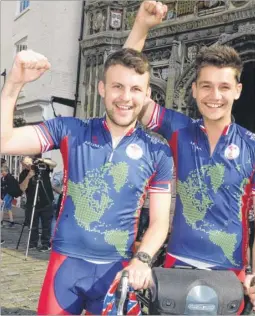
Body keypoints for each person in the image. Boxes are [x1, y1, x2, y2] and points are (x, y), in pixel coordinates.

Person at [0, 48, 173, 315]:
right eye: (117, 86)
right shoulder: (70, 130)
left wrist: (143, 258)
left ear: (147, 94)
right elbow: (5, 141)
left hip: (117, 274)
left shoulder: (158, 151)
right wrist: (13, 84)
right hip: (65, 268)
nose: (126, 97)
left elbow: (161, 221)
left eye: (136, 89)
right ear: (102, 88)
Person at [124, 0, 255, 311]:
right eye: (206, 86)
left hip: (229, 274)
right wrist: (140, 27)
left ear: (238, 90)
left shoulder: (252, 145)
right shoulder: (179, 130)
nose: (215, 96)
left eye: (224, 87)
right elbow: (129, 92)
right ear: (193, 90)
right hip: (177, 267)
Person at [19, 156, 54, 252]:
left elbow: (54, 164)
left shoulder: (42, 168)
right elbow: (22, 188)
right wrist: (29, 176)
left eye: (28, 163)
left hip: (46, 201)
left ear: (33, 162)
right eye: (25, 164)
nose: (27, 165)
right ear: (22, 165)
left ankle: (45, 244)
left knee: (46, 225)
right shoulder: (24, 174)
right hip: (32, 203)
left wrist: (41, 160)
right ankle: (33, 243)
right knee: (32, 224)